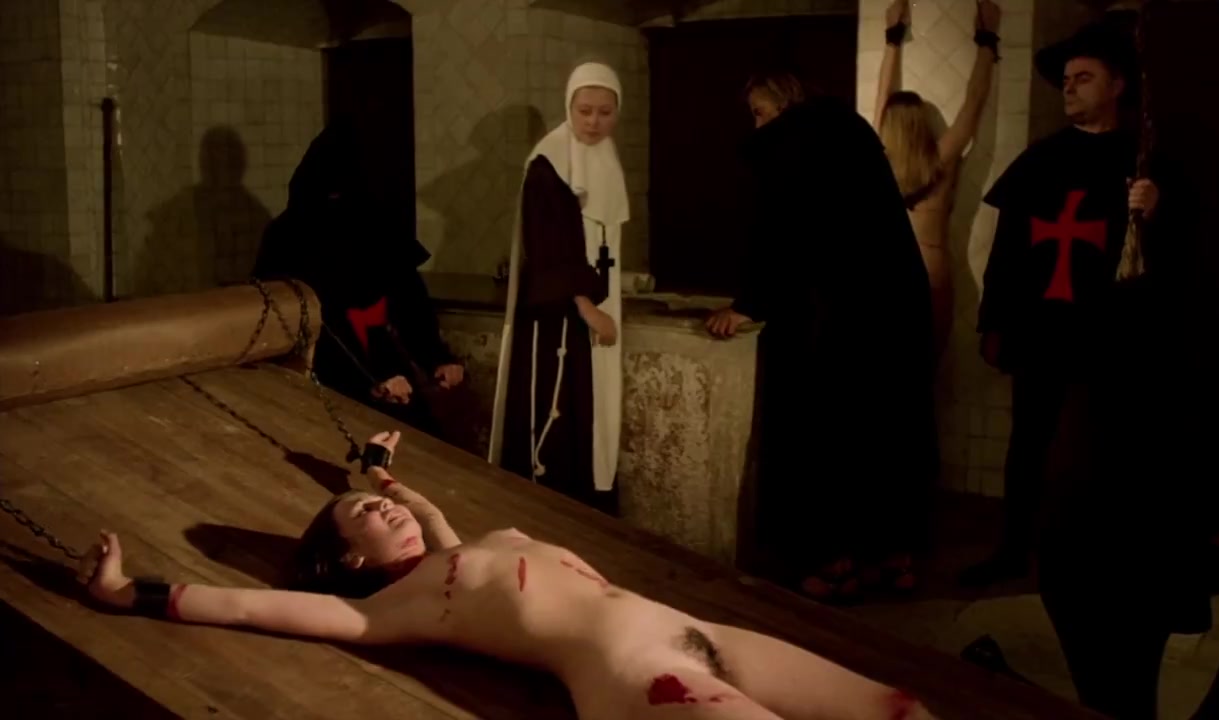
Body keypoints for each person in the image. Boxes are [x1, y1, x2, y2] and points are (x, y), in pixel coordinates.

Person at [80, 430, 937, 720]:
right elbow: (255, 609)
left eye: (379, 504)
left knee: (903, 711)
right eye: (364, 515)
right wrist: (129, 593)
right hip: (636, 674)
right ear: (350, 560)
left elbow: (417, 502)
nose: (384, 511)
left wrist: (375, 467)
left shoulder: (463, 544)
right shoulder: (404, 608)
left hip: (704, 636)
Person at [706, 73, 936, 601]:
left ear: (782, 105)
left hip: (835, 318)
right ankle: (893, 559)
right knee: (890, 433)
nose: (757, 126)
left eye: (760, 112)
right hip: (896, 306)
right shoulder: (851, 131)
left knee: (829, 438)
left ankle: (835, 564)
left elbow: (780, 230)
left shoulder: (790, 141)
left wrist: (748, 303)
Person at [961, 18, 1160, 588]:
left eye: (1083, 78)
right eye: (1067, 80)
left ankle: (1100, 557)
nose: (1069, 88)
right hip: (1041, 327)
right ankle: (1011, 551)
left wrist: (1156, 208)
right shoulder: (1041, 160)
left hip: (1108, 331)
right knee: (1029, 442)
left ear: (1116, 85)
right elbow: (1007, 249)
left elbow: (1163, 256)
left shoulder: (1141, 161)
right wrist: (994, 322)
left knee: (1108, 443)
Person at [253, 123, 465, 440]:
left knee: (423, 442)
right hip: (319, 367)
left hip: (380, 361)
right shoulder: (288, 234)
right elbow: (313, 317)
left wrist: (437, 358)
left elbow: (409, 300)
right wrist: (371, 378)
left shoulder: (373, 221)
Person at [490, 61, 626, 515]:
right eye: (584, 111)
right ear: (569, 107)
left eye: (605, 112)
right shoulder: (548, 164)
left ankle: (586, 516)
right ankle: (551, 518)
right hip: (559, 318)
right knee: (558, 418)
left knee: (590, 416)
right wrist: (588, 306)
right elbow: (549, 247)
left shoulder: (604, 158)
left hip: (585, 312)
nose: (594, 122)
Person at [873, 0, 1001, 356]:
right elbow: (973, 104)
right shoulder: (940, 160)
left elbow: (882, 101)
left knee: (891, 366)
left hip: (889, 272)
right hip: (932, 270)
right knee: (927, 367)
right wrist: (987, 40)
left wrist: (893, 38)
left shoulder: (879, 161)